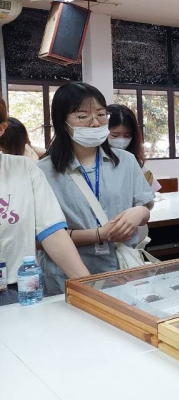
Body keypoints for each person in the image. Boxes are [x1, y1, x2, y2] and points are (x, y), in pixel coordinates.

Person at [38, 82, 155, 294]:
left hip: (122, 272)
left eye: (101, 115)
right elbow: (39, 238)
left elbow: (145, 207)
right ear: (62, 122)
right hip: (67, 280)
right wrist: (98, 234)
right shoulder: (43, 171)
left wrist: (140, 212)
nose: (95, 123)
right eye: (83, 116)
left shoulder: (126, 161)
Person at [0, 98, 90, 305]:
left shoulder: (24, 169)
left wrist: (87, 287)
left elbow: (52, 231)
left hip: (14, 290)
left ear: (1, 129)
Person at [107, 104, 161, 193]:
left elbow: (150, 193)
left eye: (127, 135)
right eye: (115, 135)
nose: (121, 140)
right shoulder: (94, 160)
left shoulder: (133, 161)